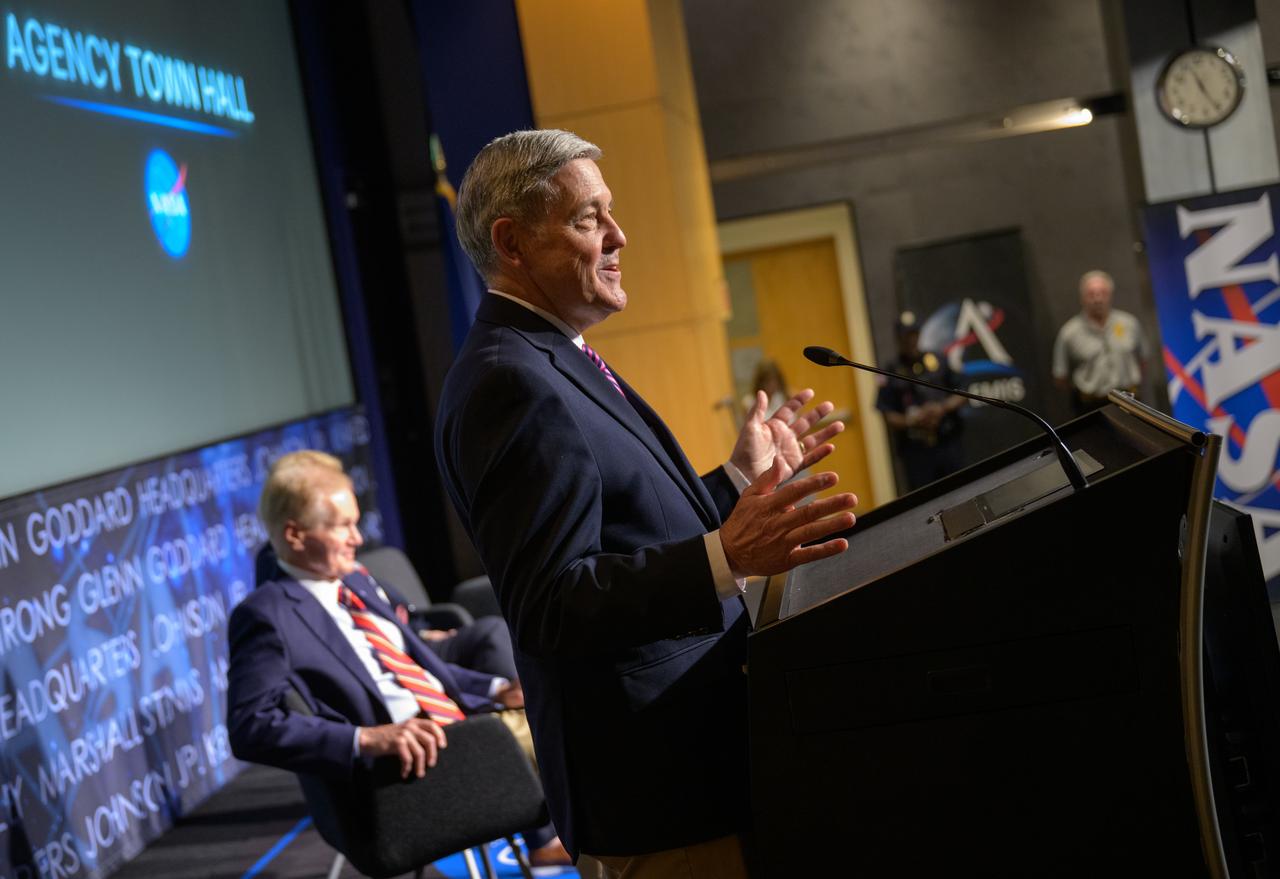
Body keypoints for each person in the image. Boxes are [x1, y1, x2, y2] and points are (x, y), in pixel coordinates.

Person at [434, 129, 858, 877]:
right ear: (512, 242)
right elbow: (552, 603)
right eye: (588, 217)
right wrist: (727, 554)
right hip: (653, 791)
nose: (619, 235)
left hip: (694, 763)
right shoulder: (512, 380)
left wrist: (731, 483)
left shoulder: (552, 356)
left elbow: (620, 530)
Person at [226, 450, 570, 867]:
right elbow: (250, 728)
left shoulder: (357, 582)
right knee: (573, 728)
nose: (357, 538)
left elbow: (422, 668)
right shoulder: (267, 615)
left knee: (569, 705)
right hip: (408, 769)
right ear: (295, 534)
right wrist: (367, 739)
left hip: (465, 727)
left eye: (355, 522)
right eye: (343, 527)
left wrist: (498, 687)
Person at [875, 310, 966, 491]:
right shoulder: (890, 371)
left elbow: (962, 393)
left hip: (948, 442)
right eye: (905, 336)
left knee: (962, 489)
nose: (910, 340)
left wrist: (941, 408)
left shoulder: (938, 360)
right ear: (898, 338)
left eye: (914, 334)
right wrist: (913, 419)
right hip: (916, 451)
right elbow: (887, 414)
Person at [1052, 269, 1148, 415]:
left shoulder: (1129, 324)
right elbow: (1060, 376)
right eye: (1091, 294)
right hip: (1091, 407)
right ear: (1082, 298)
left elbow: (1143, 359)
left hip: (1130, 402)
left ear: (1110, 295)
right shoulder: (1069, 333)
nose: (1098, 299)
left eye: (1102, 293)